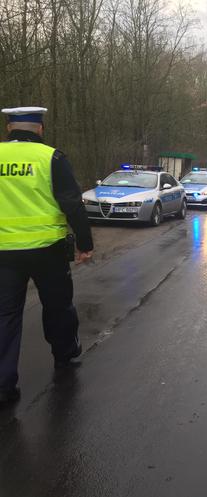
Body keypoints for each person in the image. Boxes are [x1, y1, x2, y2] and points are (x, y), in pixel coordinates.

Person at [0, 106, 93, 407]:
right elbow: (72, 203)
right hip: (47, 251)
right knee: (58, 306)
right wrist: (84, 243)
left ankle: (3, 385)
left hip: (4, 253)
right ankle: (64, 355)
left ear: (9, 129)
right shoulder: (51, 157)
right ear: (39, 129)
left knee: (5, 315)